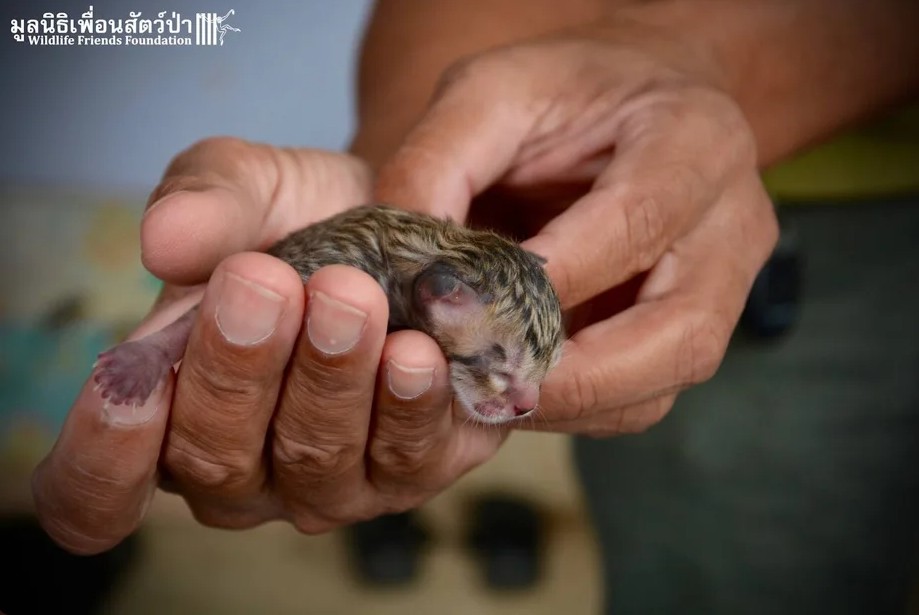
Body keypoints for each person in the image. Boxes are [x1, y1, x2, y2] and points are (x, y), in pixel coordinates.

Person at [31, 0, 919, 612]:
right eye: (498, 360)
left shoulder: (462, 302)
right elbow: (256, 274)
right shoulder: (363, 264)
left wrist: (693, 68)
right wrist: (405, 148)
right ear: (440, 294)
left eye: (528, 368)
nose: (521, 397)